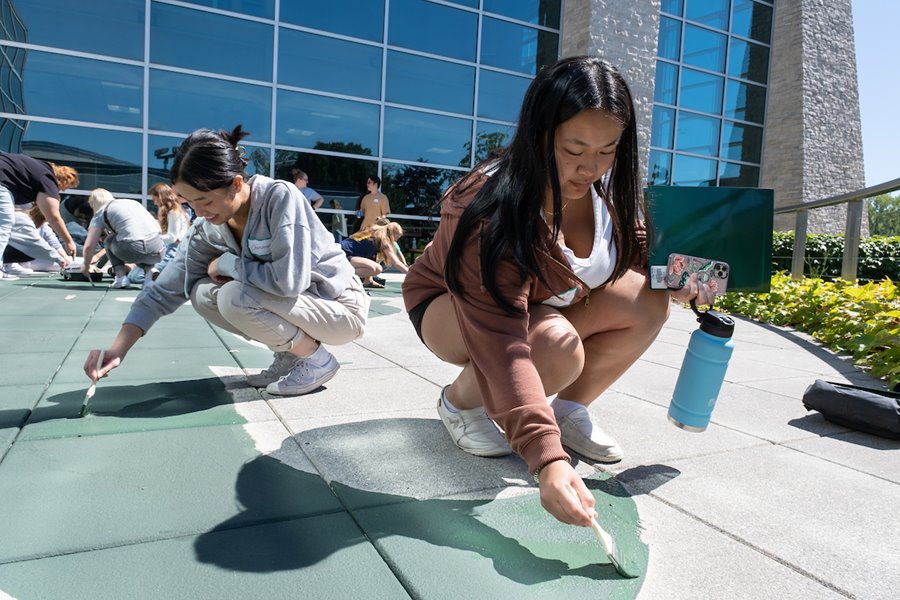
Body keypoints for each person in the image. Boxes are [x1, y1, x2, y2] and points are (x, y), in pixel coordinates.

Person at [401, 56, 713, 528]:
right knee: (552, 346)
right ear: (539, 134)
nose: (591, 167)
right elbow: (502, 338)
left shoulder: (602, 191)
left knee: (646, 296)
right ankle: (460, 404)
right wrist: (547, 459)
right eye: (575, 148)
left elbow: (637, 253)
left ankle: (567, 409)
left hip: (540, 306)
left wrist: (691, 279)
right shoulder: (489, 206)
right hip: (451, 307)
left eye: (608, 149)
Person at [83, 125, 369, 397]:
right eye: (189, 202)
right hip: (300, 307)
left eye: (205, 201)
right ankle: (292, 354)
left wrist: (227, 265)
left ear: (236, 184)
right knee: (201, 293)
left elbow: (288, 282)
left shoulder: (279, 196)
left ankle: (318, 361)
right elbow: (163, 291)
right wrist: (118, 348)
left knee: (234, 295)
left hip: (339, 307)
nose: (199, 211)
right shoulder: (208, 227)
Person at [0, 153, 79, 280]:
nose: (63, 191)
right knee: (4, 224)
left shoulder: (38, 171)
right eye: (65, 187)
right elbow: (54, 217)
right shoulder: (47, 178)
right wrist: (69, 241)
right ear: (62, 180)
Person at [81, 188, 166, 289]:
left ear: (93, 203)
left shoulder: (101, 212)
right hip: (158, 249)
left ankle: (121, 278)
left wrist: (86, 266)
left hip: (134, 249)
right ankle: (150, 273)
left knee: (110, 240)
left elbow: (89, 245)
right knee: (140, 246)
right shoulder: (133, 203)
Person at [1, 206, 70, 274]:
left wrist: (63, 257)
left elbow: (54, 244)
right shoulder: (23, 220)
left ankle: (6, 265)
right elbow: (36, 243)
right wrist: (58, 259)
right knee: (30, 251)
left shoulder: (22, 216)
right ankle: (7, 265)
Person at [340, 220, 408, 288]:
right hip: (343, 256)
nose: (395, 241)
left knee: (373, 259)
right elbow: (396, 263)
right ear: (391, 235)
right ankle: (342, 275)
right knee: (377, 269)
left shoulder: (372, 232)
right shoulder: (384, 240)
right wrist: (411, 273)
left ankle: (368, 280)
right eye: (396, 238)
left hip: (340, 252)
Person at [148, 182, 191, 279]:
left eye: (155, 199)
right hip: (171, 249)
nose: (154, 202)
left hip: (173, 250)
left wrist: (152, 238)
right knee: (136, 275)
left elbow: (172, 237)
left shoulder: (173, 212)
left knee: (137, 276)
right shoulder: (173, 211)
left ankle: (165, 277)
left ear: (160, 196)